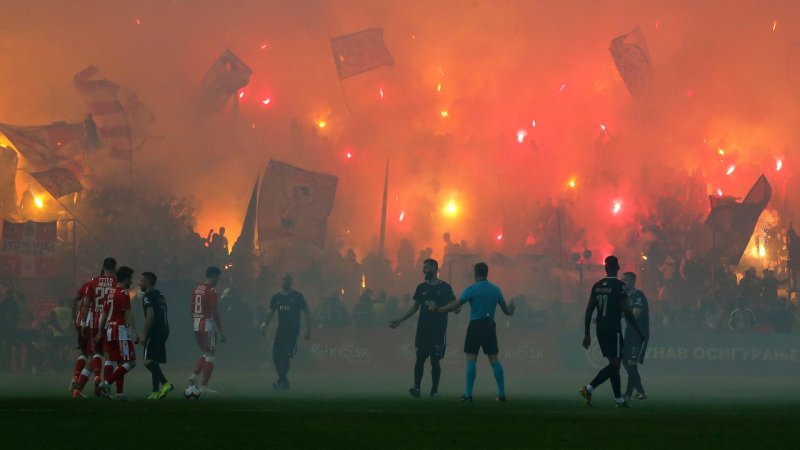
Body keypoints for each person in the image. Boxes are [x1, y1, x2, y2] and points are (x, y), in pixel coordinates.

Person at [433, 262, 514, 401]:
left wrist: (440, 309)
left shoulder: (472, 289)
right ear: (487, 273)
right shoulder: (495, 289)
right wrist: (512, 309)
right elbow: (507, 312)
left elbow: (456, 304)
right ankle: (502, 394)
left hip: (476, 325)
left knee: (471, 359)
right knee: (494, 359)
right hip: (489, 326)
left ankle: (468, 395)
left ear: (475, 273)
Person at [580, 256, 646, 408]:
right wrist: (637, 329)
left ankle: (619, 400)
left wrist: (587, 334)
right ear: (618, 267)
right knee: (615, 364)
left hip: (600, 329)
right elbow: (626, 310)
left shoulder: (597, 285)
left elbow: (589, 310)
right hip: (613, 329)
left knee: (614, 364)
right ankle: (588, 389)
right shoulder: (619, 286)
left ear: (605, 268)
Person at [390, 259, 456, 398]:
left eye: (426, 268)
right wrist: (400, 320)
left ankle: (434, 390)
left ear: (434, 269)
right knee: (419, 359)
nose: (423, 270)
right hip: (423, 331)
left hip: (438, 331)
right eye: (423, 267)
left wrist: (454, 309)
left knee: (435, 361)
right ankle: (417, 388)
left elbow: (454, 305)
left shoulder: (445, 287)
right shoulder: (421, 288)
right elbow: (414, 308)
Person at [74, 258, 117, 397]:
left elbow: (86, 304)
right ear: (115, 268)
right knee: (109, 358)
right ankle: (105, 387)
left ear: (103, 267)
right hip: (110, 322)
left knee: (95, 354)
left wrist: (84, 323)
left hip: (94, 322)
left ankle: (79, 388)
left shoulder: (94, 281)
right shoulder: (116, 282)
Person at [261, 275, 311, 391]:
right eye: (283, 279)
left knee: (287, 356)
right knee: (276, 356)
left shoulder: (297, 296)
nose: (285, 282)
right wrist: (264, 325)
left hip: (293, 331)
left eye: (287, 280)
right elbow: (271, 312)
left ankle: (281, 381)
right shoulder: (276, 297)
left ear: (291, 282)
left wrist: (308, 329)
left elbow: (306, 311)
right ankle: (283, 380)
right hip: (281, 331)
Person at [96, 267, 139, 400]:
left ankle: (120, 393)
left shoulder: (110, 293)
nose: (131, 282)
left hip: (109, 330)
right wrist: (135, 331)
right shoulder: (123, 293)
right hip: (120, 331)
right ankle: (107, 383)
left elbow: (103, 315)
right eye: (130, 279)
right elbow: (127, 313)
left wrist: (100, 331)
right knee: (131, 362)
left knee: (118, 362)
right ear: (126, 279)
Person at [189, 266, 226, 394]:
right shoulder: (212, 291)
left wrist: (195, 320)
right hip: (207, 324)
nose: (218, 280)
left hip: (196, 323)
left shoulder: (196, 289)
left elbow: (191, 307)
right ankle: (204, 386)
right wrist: (220, 331)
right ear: (214, 276)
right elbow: (214, 311)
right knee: (211, 355)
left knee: (205, 352)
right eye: (218, 277)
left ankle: (194, 376)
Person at [140, 272, 172, 400]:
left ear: (148, 282)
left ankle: (165, 383)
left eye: (141, 280)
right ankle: (155, 391)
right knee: (154, 360)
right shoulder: (160, 294)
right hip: (164, 329)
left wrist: (144, 334)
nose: (138, 283)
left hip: (155, 330)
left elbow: (150, 316)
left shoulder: (147, 295)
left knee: (147, 361)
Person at [621, 272, 649, 402]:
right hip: (629, 332)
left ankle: (628, 394)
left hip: (639, 334)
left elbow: (636, 313)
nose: (623, 282)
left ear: (632, 281)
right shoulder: (625, 296)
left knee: (632, 363)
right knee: (626, 363)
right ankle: (639, 392)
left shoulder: (638, 295)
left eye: (625, 280)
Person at [69, 280, 92, 392]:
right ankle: (78, 388)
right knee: (94, 356)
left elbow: (74, 300)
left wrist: (74, 318)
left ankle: (75, 377)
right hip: (93, 323)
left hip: (80, 322)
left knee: (83, 353)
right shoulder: (108, 285)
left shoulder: (87, 284)